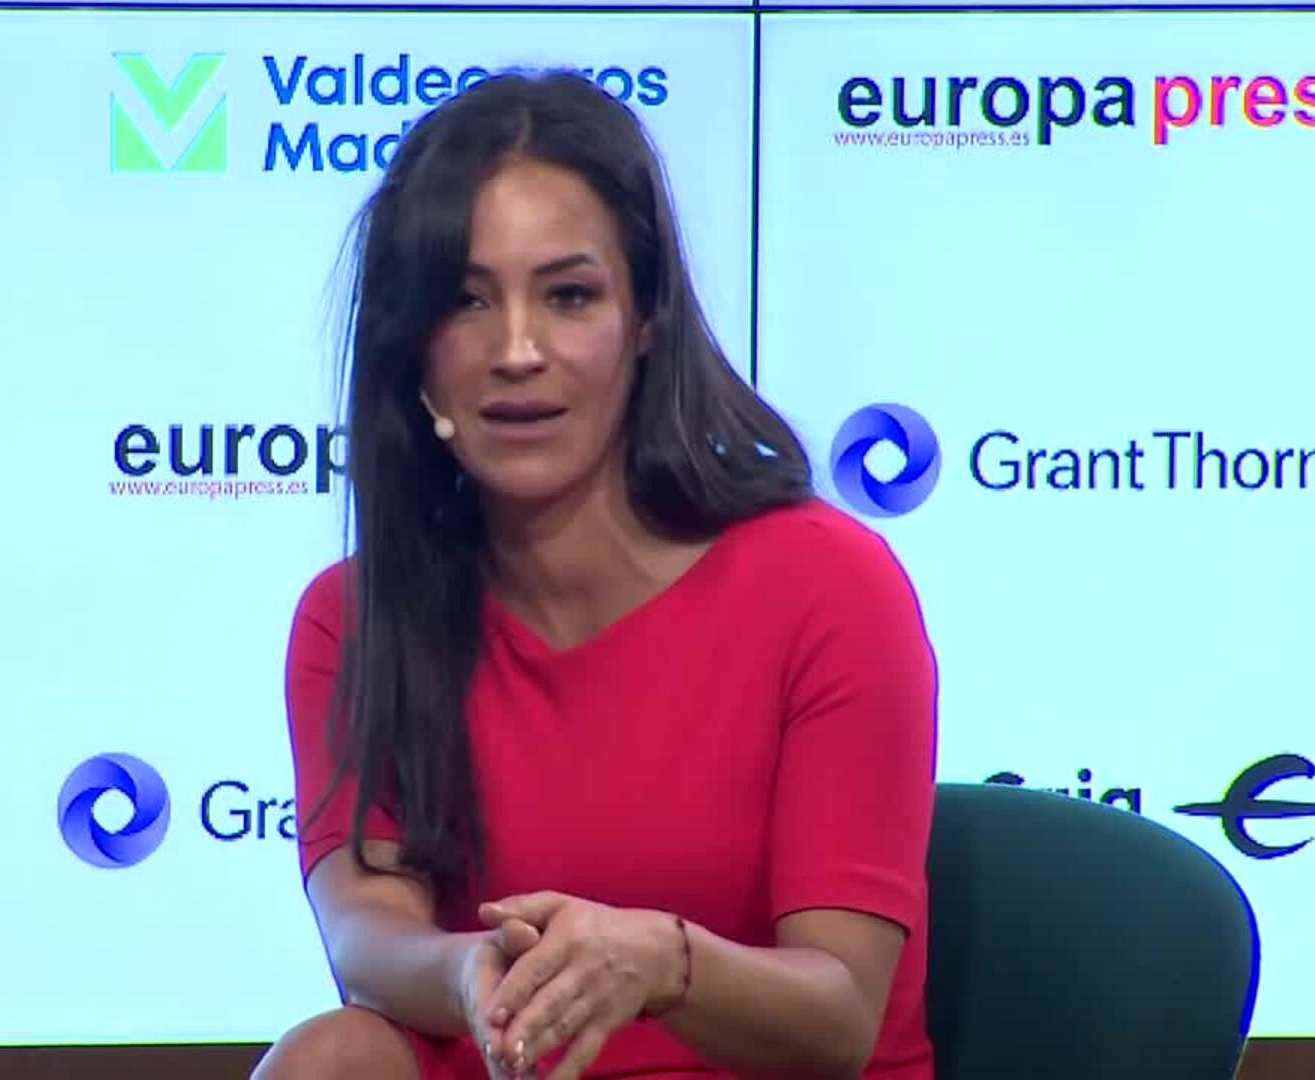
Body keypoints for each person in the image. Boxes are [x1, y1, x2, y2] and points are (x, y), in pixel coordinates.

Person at [257, 68, 938, 1080]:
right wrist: (465, 971)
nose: (517, 351)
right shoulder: (353, 616)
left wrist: (663, 964)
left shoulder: (827, 584)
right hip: (510, 1065)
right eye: (466, 301)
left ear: (645, 316)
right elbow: (367, 932)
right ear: (412, 347)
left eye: (568, 296)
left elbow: (840, 1017)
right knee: (332, 1056)